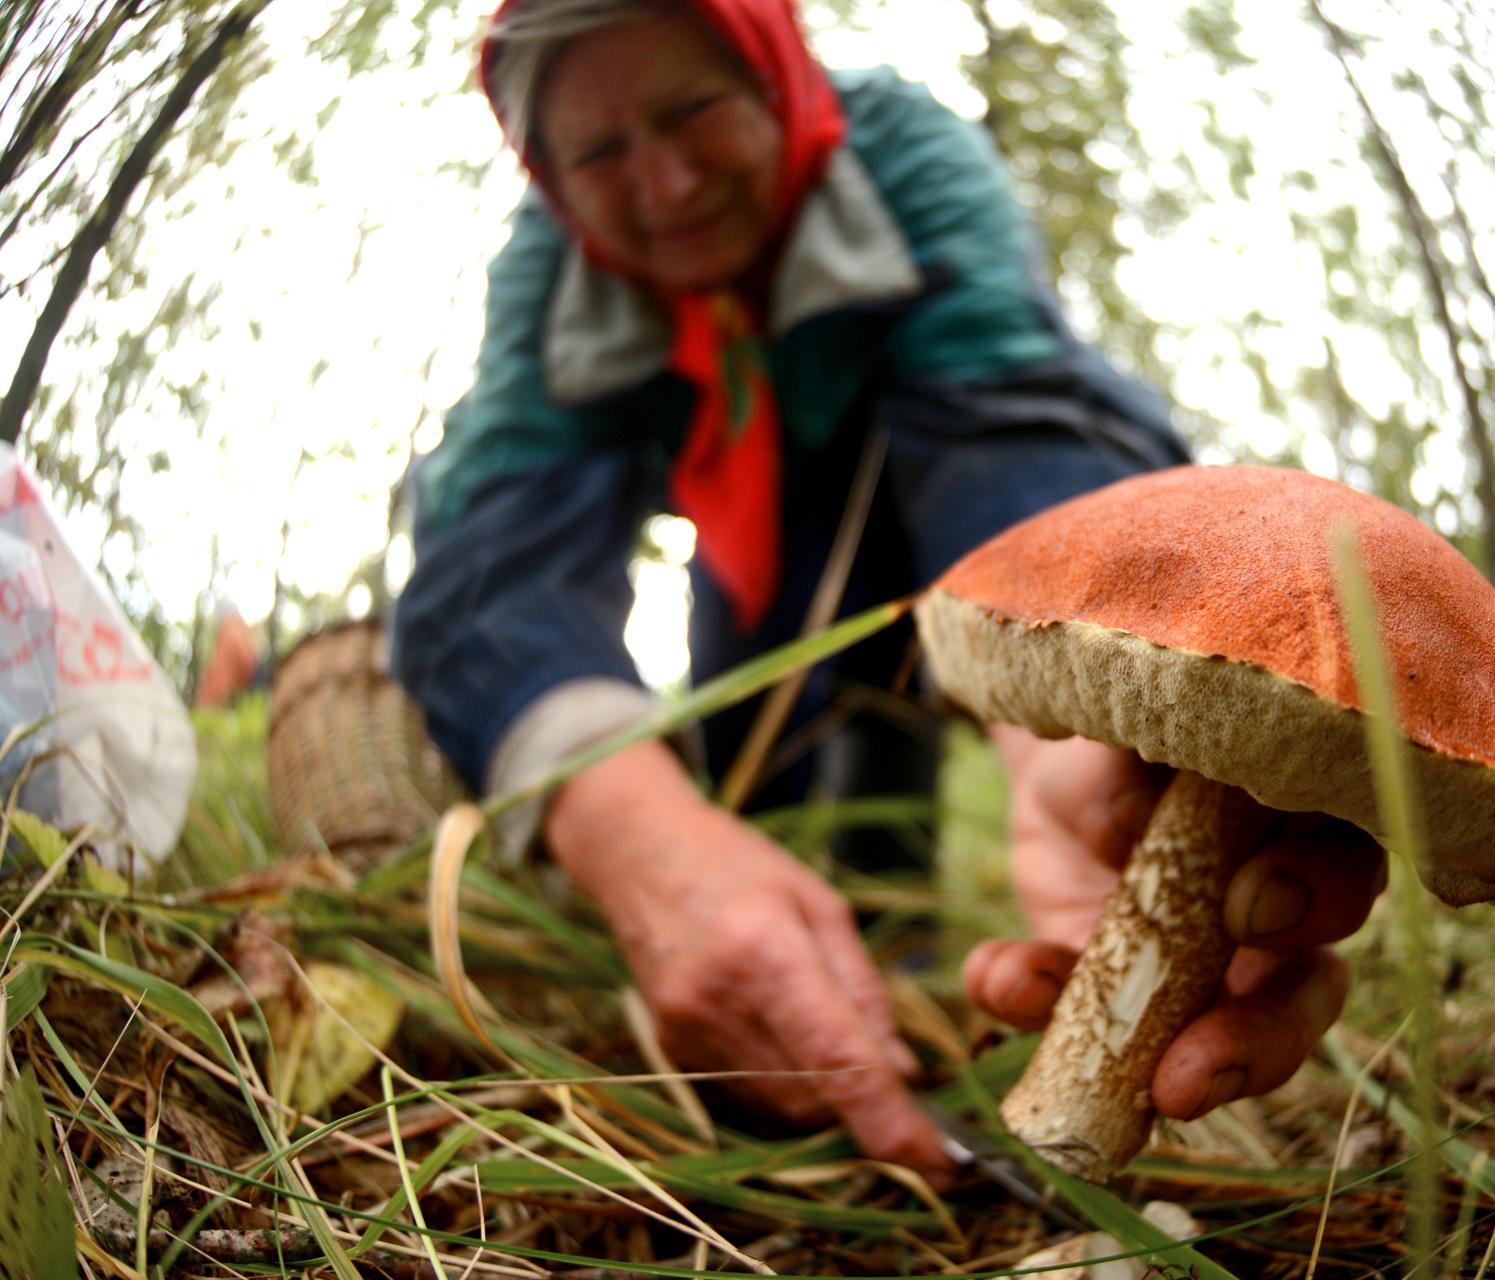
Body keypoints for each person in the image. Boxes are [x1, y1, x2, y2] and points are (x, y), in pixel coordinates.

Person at [392, 0, 1383, 1181]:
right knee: (757, 781)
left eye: (692, 109)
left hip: (925, 538)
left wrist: (1085, 721)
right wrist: (637, 838)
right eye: (597, 153)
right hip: (747, 565)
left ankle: (905, 963)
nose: (659, 183)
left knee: (886, 708)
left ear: (772, 73)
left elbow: (1010, 426)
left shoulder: (902, 155)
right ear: (546, 173)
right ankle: (823, 1000)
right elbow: (500, 537)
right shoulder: (550, 266)